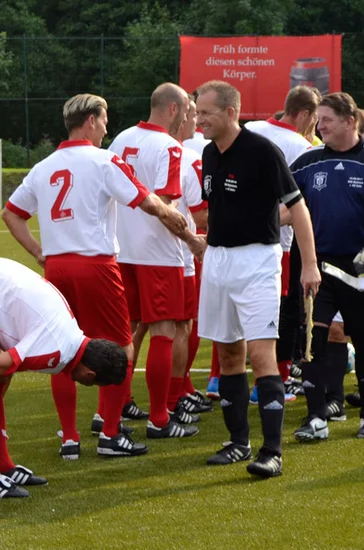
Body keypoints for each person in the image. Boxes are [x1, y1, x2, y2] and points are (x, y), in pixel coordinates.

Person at [3, 93, 197, 458]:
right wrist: (178, 224)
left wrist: (38, 252)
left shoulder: (44, 166)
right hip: (97, 265)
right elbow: (147, 201)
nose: (106, 129)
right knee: (121, 347)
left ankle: (70, 438)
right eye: (104, 120)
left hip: (57, 267)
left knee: (64, 348)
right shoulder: (104, 160)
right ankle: (110, 433)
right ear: (91, 120)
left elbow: (11, 213)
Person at [195, 80, 321, 478]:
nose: (199, 120)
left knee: (262, 354)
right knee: (228, 355)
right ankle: (238, 442)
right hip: (218, 260)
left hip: (257, 261)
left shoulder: (263, 151)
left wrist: (310, 264)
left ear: (231, 112)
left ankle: (272, 452)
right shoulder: (208, 153)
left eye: (206, 113)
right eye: (198, 113)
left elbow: (297, 208)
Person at [289, 92, 364, 442]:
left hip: (363, 268)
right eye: (319, 120)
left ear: (349, 121)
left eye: (327, 119)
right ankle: (316, 417)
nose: (320, 126)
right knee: (314, 341)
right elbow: (283, 200)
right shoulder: (307, 160)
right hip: (318, 267)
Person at [0, 257, 129, 479]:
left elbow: (3, 371)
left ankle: (1, 464)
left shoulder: (70, 333)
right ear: (89, 375)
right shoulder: (55, 352)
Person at [109, 83, 208, 437]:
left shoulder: (120, 139)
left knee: (128, 332)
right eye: (188, 111)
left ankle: (112, 411)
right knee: (166, 331)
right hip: (158, 254)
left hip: (122, 250)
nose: (189, 118)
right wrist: (191, 240)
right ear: (173, 109)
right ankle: (160, 417)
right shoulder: (170, 147)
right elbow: (164, 207)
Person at [243, 86, 319, 403]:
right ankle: (275, 380)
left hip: (234, 237)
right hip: (278, 243)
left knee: (238, 312)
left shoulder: (251, 129)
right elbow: (297, 205)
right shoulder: (301, 147)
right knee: (281, 311)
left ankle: (223, 379)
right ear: (305, 114)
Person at [167, 98, 214, 418]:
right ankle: (174, 397)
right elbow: (201, 216)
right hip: (179, 252)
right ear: (180, 116)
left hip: (133, 251)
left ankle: (178, 388)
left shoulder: (126, 143)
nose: (197, 121)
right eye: (194, 114)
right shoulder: (188, 156)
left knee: (140, 328)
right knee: (183, 324)